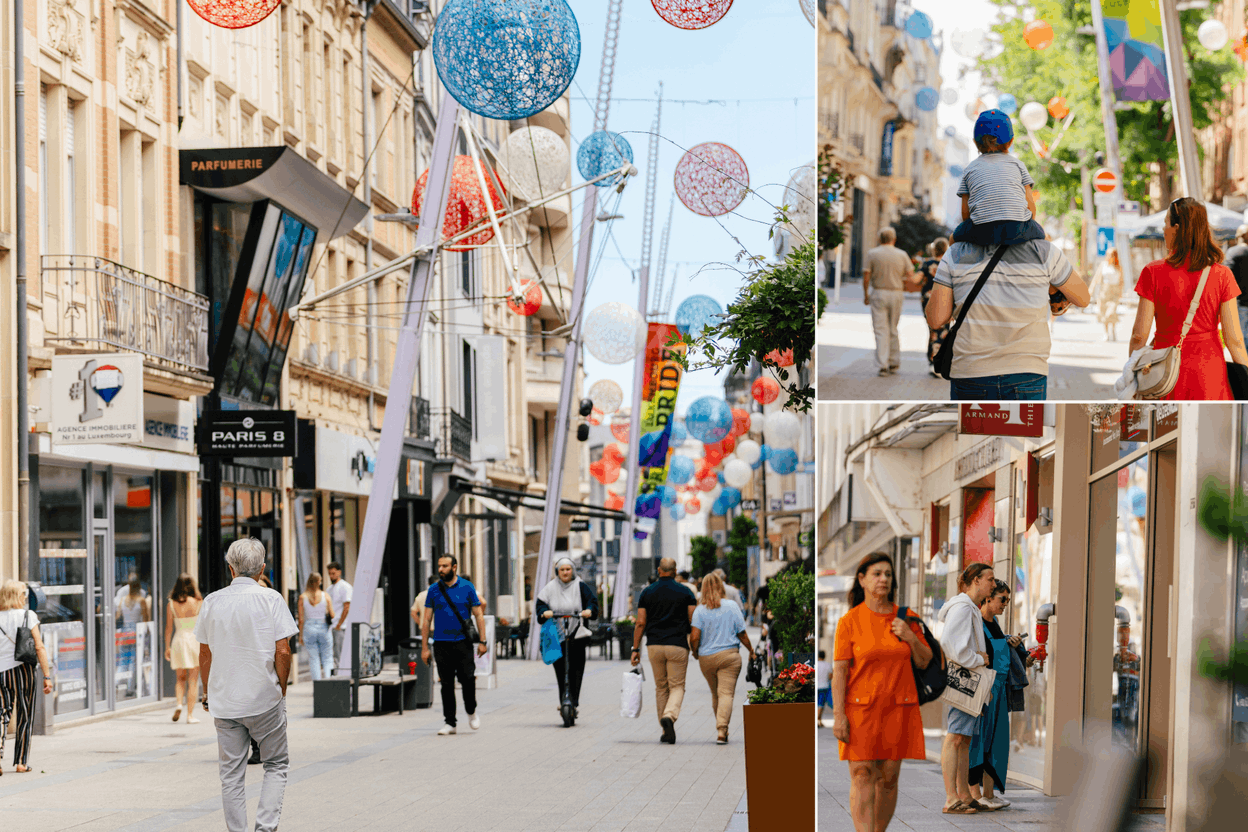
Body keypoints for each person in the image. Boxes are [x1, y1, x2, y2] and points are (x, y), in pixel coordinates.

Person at [195, 539, 298, 832]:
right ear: (262, 569)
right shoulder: (272, 599)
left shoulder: (212, 601)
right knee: (276, 765)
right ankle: (265, 828)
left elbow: (205, 652)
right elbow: (283, 651)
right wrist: (282, 689)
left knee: (230, 775)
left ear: (231, 568)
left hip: (225, 702)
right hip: (264, 698)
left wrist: (206, 693)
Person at [925, 216, 1090, 400]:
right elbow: (1083, 299)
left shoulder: (955, 253)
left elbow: (936, 319)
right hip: (1027, 371)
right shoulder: (1045, 251)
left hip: (970, 371)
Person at [831, 553, 931, 832]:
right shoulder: (850, 621)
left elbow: (925, 661)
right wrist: (838, 715)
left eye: (888, 573)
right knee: (862, 773)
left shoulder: (907, 617)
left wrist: (910, 637)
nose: (884, 579)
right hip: (860, 710)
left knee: (888, 777)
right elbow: (839, 672)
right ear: (862, 579)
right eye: (877, 573)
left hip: (899, 708)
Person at [1128, 197, 1248, 399]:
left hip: (1165, 374)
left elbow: (1139, 335)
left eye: (1166, 223)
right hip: (1209, 373)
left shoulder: (1153, 272)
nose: (1163, 229)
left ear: (1176, 228)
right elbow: (1234, 339)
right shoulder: (1222, 275)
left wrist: (1133, 373)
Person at [936, 563, 997, 815]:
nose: (993, 584)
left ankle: (962, 794)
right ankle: (951, 797)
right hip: (964, 682)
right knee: (955, 736)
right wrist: (979, 659)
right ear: (975, 581)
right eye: (990, 579)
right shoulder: (963, 608)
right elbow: (952, 645)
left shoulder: (968, 607)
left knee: (964, 738)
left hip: (968, 682)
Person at [968, 580, 1033, 812]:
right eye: (1002, 599)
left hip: (998, 692)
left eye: (1007, 599)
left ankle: (989, 793)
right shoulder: (976, 623)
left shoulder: (994, 623)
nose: (1006, 604)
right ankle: (975, 795)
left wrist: (1016, 648)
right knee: (979, 742)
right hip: (984, 692)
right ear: (988, 598)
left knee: (996, 744)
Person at [951, 110, 1045, 247]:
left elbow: (965, 213)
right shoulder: (1018, 164)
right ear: (1011, 141)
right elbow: (1030, 206)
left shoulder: (969, 169)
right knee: (1045, 239)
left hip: (981, 231)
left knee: (952, 240)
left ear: (974, 142)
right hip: (1017, 228)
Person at [630, 557, 697, 744]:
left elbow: (640, 622)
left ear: (659, 570)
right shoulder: (686, 592)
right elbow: (693, 622)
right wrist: (696, 646)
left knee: (661, 687)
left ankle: (665, 729)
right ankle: (669, 715)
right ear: (675, 571)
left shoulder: (647, 593)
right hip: (677, 645)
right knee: (676, 686)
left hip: (654, 646)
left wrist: (635, 649)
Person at [420, 555, 487, 736]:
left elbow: (479, 615)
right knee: (446, 684)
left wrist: (483, 641)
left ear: (454, 567)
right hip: (441, 644)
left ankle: (471, 711)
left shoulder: (467, 587)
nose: (441, 569)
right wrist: (424, 647)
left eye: (445, 566)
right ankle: (450, 722)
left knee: (467, 679)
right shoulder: (433, 590)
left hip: (463, 643)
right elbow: (426, 620)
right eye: (439, 566)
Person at [690, 572, 755, 745]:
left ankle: (721, 727)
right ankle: (722, 730)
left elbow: (694, 637)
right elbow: (742, 633)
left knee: (716, 694)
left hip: (707, 658)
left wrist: (695, 652)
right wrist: (751, 650)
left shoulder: (699, 611)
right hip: (730, 656)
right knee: (726, 693)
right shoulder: (732, 606)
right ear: (721, 586)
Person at [0, 580, 54, 775]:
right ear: (15, 596)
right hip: (23, 670)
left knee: (1, 715)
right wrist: (47, 675)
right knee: (25, 714)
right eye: (23, 594)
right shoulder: (27, 615)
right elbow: (39, 646)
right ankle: (21, 762)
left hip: (0, 673)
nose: (25, 598)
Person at [535, 557, 599, 717]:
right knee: (561, 669)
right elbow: (540, 604)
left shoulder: (580, 585)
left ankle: (574, 701)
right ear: (558, 572)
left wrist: (589, 610)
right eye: (562, 570)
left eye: (568, 569)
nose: (565, 572)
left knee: (577, 669)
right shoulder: (550, 588)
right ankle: (564, 698)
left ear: (573, 571)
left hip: (576, 633)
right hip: (558, 636)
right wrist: (544, 612)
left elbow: (592, 602)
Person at [863, 227, 916, 377]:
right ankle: (894, 362)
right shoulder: (902, 254)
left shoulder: (872, 254)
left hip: (879, 292)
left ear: (880, 239)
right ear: (894, 239)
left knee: (880, 330)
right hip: (896, 293)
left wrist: (866, 294)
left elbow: (866, 276)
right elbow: (910, 275)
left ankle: (882, 365)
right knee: (893, 328)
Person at [164, 573, 203, 724]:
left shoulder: (171, 604)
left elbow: (168, 628)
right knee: (193, 680)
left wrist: (167, 647)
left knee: (180, 679)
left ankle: (179, 704)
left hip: (178, 641)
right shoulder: (198, 602)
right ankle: (190, 715)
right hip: (194, 641)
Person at [919, 238, 952, 376]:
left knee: (933, 329)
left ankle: (934, 361)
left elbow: (916, 279)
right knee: (944, 330)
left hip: (929, 298)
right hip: (947, 298)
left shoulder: (927, 263)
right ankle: (940, 362)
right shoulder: (950, 263)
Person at [297, 572, 334, 682]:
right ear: (319, 582)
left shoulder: (302, 597)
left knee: (314, 659)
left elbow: (301, 619)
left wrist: (300, 635)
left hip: (309, 628)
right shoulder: (325, 596)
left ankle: (317, 686)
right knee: (327, 658)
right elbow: (332, 614)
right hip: (324, 627)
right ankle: (329, 682)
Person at [1086, 248, 1125, 342]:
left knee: (1111, 313)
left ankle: (1113, 330)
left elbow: (1121, 281)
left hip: (1114, 292)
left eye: (1111, 255)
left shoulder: (1118, 267)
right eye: (1107, 254)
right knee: (1103, 313)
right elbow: (1096, 278)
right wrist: (1090, 290)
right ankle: (1106, 333)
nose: (1109, 256)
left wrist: (1120, 293)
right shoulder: (1103, 265)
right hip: (1104, 291)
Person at [325, 562, 352, 672]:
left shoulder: (345, 587)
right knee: (334, 653)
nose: (331, 576)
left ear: (339, 572)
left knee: (340, 653)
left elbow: (347, 607)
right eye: (329, 574)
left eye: (333, 573)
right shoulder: (329, 589)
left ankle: (342, 675)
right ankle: (336, 674)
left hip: (341, 626)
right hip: (331, 626)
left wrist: (339, 624)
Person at [1224, 224, 1248, 338]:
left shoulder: (1233, 252)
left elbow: (1226, 278)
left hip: (1239, 302)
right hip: (1241, 303)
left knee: (1240, 338)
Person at [816, 650, 833, 728]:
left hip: (816, 686)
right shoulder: (828, 665)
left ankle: (819, 721)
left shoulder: (815, 664)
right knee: (820, 705)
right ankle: (817, 720)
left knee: (817, 704)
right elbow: (830, 676)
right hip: (824, 686)